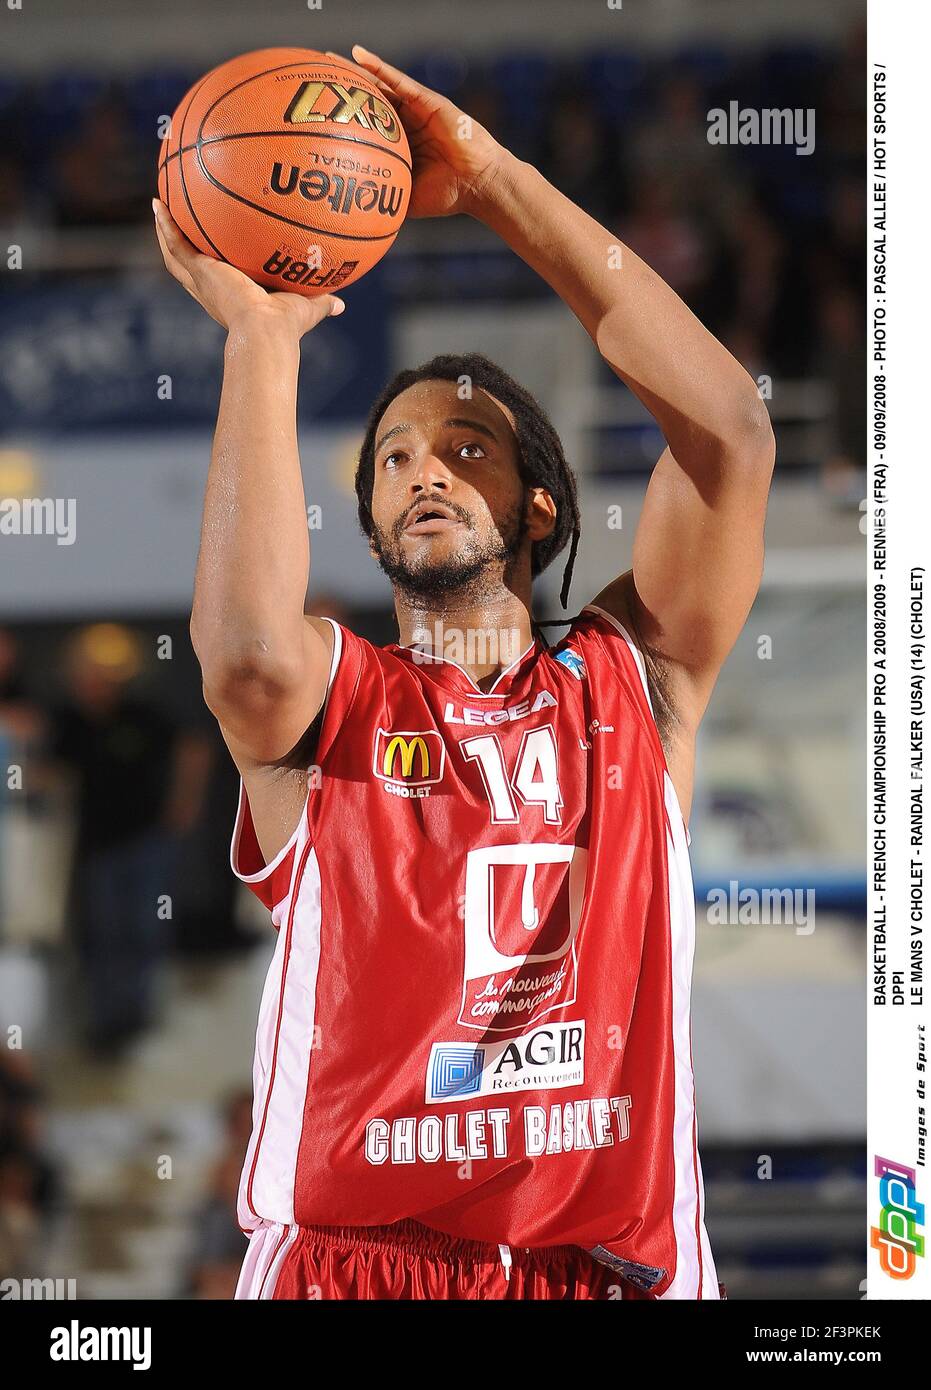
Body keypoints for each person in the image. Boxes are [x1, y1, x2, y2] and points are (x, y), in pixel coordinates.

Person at [153, 44, 774, 1301]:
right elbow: (249, 652)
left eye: (465, 446)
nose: (423, 470)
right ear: (374, 524)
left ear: (538, 501)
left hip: (605, 1267)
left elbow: (730, 433)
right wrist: (264, 341)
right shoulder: (337, 704)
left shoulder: (632, 681)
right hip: (359, 1263)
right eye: (391, 459)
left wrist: (495, 181)